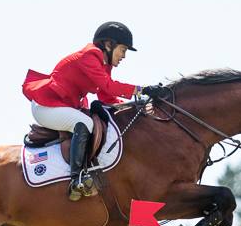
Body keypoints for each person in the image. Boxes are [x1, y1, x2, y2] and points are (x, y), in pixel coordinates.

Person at [22, 22, 164, 200]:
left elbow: (106, 96)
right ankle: (77, 179)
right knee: (85, 123)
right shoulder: (89, 56)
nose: (124, 56)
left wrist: (137, 106)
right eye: (122, 49)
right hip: (46, 106)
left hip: (61, 106)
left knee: (89, 120)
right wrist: (141, 89)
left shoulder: (104, 64)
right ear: (108, 45)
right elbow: (109, 86)